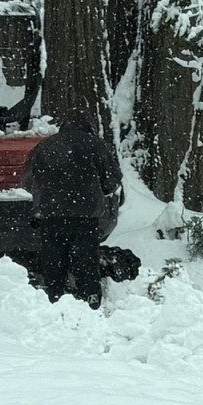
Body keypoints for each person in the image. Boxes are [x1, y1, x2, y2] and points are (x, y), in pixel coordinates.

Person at [19, 119, 124, 307]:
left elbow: (27, 180)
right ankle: (90, 299)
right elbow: (112, 180)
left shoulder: (45, 145)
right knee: (86, 260)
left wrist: (46, 196)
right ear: (90, 129)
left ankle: (54, 297)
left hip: (51, 216)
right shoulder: (95, 145)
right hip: (85, 215)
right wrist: (96, 191)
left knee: (54, 260)